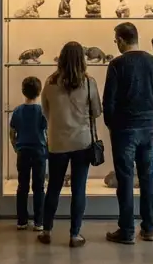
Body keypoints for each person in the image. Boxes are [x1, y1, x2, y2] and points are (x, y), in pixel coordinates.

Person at [102, 21, 153, 245]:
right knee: (147, 178)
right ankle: (148, 228)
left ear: (121, 40)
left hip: (123, 129)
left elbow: (108, 101)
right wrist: (152, 115)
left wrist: (112, 124)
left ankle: (127, 230)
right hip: (147, 128)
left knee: (125, 180)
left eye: (115, 40)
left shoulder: (117, 64)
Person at [39, 41, 102, 248]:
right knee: (79, 189)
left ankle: (46, 230)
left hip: (57, 142)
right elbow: (97, 112)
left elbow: (45, 111)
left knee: (54, 188)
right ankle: (75, 234)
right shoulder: (89, 82)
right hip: (82, 142)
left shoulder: (50, 82)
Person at [9, 75, 47, 231]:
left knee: (22, 186)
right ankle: (39, 221)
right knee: (39, 187)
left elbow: (12, 133)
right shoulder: (41, 111)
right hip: (39, 151)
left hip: (23, 151)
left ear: (23, 91)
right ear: (39, 92)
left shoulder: (18, 110)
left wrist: (16, 147)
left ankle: (22, 221)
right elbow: (46, 132)